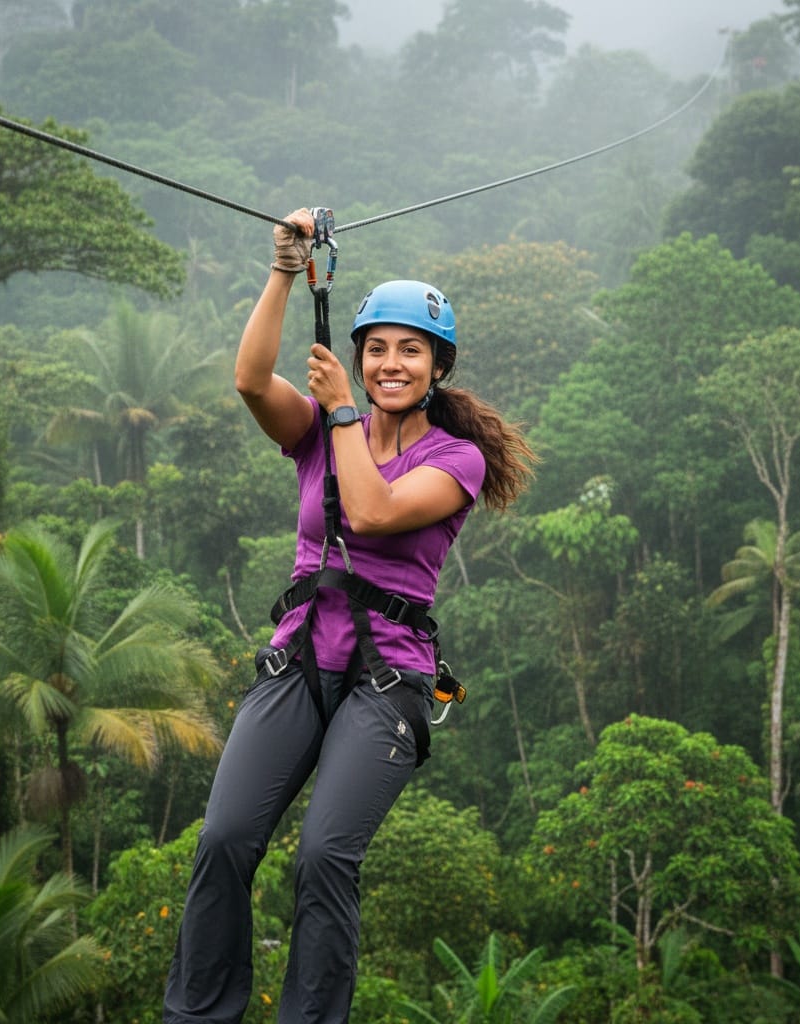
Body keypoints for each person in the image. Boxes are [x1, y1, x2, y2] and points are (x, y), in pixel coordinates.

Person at [163, 209, 537, 1024]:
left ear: (437, 366)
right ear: (360, 358)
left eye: (411, 350)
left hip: (385, 683)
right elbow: (252, 381)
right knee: (225, 839)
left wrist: (338, 416)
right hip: (298, 661)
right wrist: (284, 272)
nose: (391, 363)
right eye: (377, 348)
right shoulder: (324, 429)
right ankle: (197, 1016)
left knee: (326, 857)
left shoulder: (454, 458)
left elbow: (369, 513)